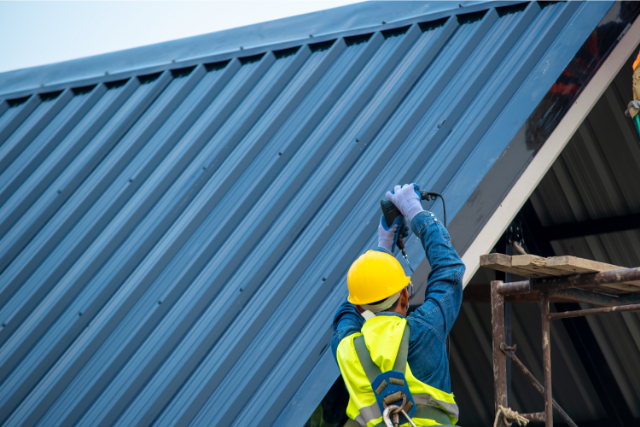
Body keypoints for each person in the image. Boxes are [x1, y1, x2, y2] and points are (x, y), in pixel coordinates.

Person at [331, 184, 465, 426]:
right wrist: (415, 212)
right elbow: (450, 271)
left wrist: (381, 252)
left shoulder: (346, 350)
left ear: (360, 308)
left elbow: (347, 314)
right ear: (405, 297)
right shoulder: (422, 332)